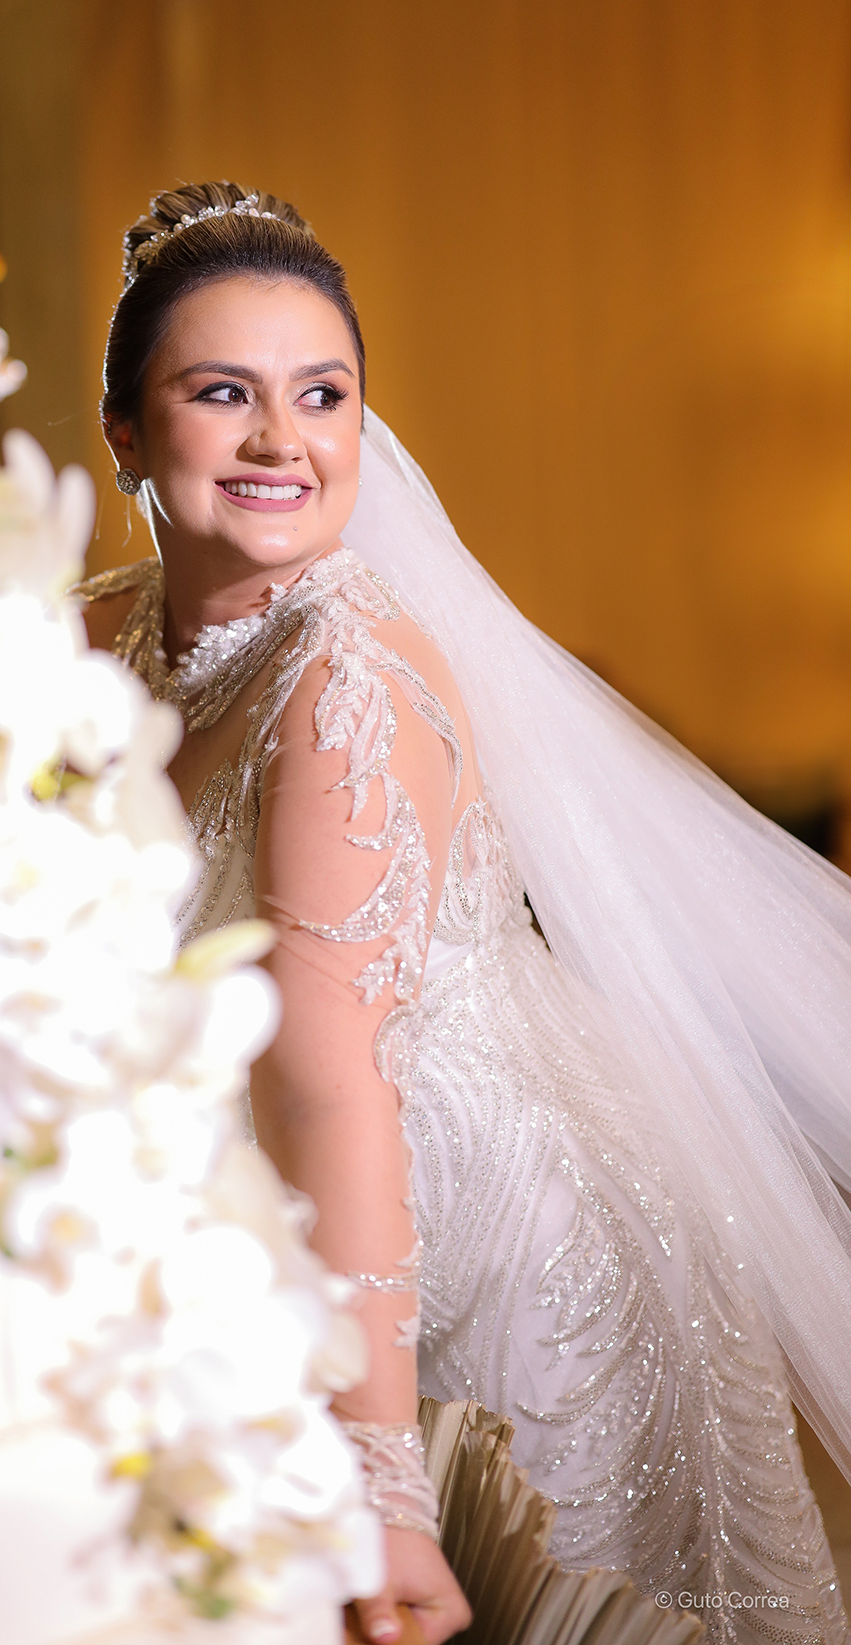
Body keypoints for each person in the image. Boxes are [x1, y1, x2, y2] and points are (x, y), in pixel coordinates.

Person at [78, 182, 851, 1645]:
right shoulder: (91, 634)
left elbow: (326, 1078)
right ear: (124, 430)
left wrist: (379, 1484)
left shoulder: (345, 688)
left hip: (485, 1251)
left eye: (322, 395)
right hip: (253, 1202)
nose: (281, 441)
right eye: (223, 392)